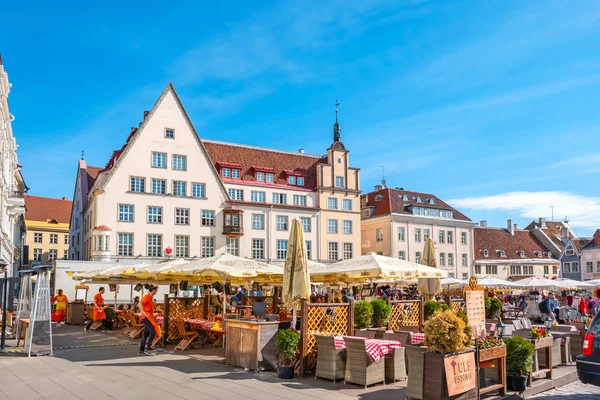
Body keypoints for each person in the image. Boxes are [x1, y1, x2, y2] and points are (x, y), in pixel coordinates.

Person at [139, 285, 160, 356]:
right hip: (146, 317)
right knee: (152, 331)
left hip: (149, 317)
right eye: (156, 290)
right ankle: (148, 348)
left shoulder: (150, 297)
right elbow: (139, 304)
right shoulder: (147, 296)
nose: (157, 291)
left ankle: (142, 349)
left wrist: (153, 314)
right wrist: (144, 313)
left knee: (146, 333)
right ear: (153, 290)